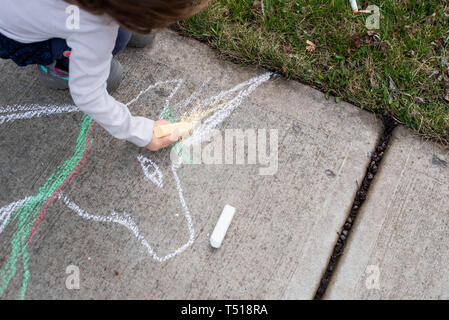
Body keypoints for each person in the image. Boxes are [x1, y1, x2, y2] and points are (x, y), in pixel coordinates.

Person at [0, 0, 208, 151]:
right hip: (15, 39)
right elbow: (89, 95)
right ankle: (59, 67)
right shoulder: (93, 25)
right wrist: (142, 133)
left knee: (119, 36)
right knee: (112, 61)